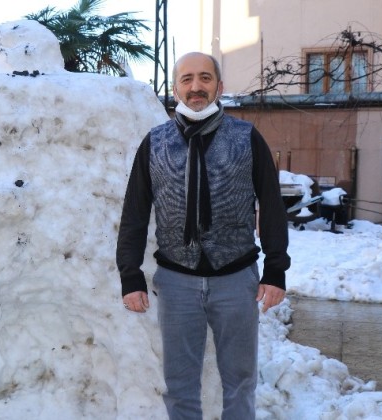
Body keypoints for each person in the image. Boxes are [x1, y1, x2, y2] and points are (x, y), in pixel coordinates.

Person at [116, 52, 291, 419]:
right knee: (179, 385)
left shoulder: (246, 138)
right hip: (176, 282)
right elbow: (135, 213)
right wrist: (130, 275)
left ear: (219, 86)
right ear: (175, 89)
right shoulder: (155, 143)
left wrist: (276, 269)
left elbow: (272, 205)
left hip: (236, 279)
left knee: (241, 380)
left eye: (205, 78)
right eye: (187, 79)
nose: (196, 86)